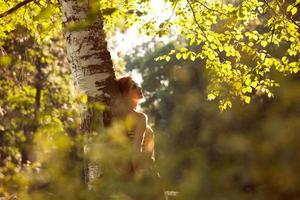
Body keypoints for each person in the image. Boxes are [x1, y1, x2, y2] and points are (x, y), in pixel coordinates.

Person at [116, 76, 155, 160]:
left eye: (137, 85)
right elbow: (136, 150)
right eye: (134, 87)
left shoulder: (117, 118)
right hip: (140, 169)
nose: (139, 87)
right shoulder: (140, 118)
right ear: (125, 95)